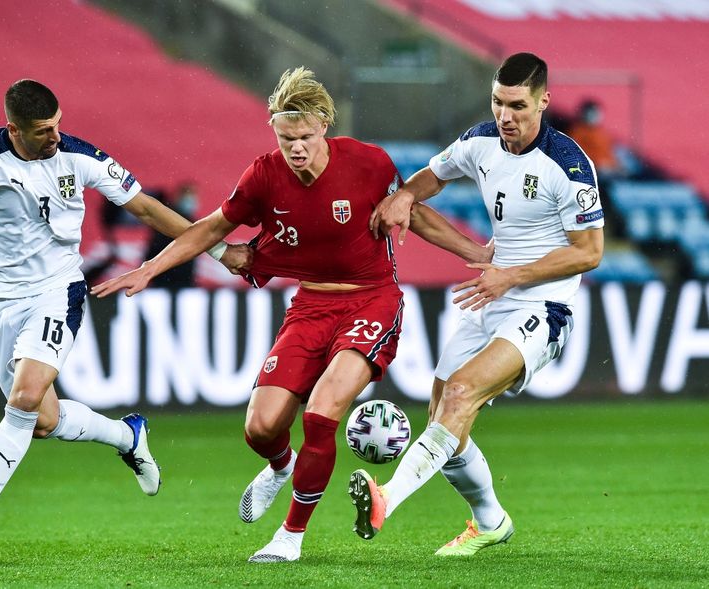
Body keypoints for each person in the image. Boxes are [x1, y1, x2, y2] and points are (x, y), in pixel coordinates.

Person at [90, 67, 492, 563]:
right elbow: (213, 227)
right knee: (260, 428)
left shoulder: (367, 163)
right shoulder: (263, 175)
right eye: (286, 138)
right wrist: (150, 268)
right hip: (309, 306)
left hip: (371, 300)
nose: (295, 148)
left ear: (324, 124)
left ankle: (290, 536)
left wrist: (475, 253)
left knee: (322, 413)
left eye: (304, 137)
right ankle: (282, 467)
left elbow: (413, 212)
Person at [0, 79, 248, 558]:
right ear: (13, 129)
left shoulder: (79, 157)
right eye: (42, 130)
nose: (55, 136)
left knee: (25, 396)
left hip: (57, 292)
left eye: (58, 124)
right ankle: (127, 436)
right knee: (42, 419)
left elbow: (144, 207)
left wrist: (218, 249)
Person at [349, 52, 604, 556]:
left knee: (462, 393)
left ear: (543, 102)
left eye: (517, 105)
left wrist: (512, 275)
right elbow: (434, 175)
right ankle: (490, 520)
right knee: (444, 408)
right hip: (493, 295)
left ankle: (386, 499)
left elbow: (589, 253)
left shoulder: (568, 164)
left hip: (542, 307)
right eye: (497, 102)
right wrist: (405, 196)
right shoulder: (481, 140)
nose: (505, 116)